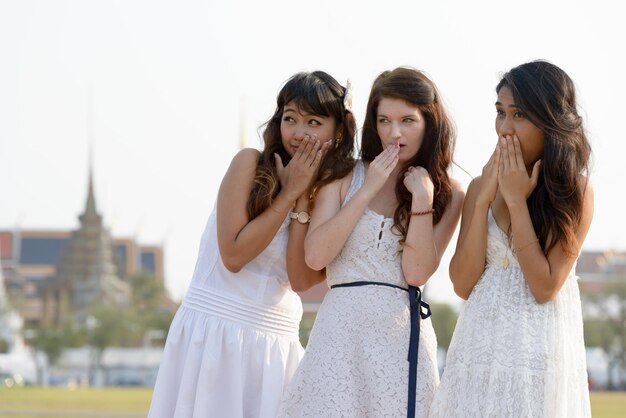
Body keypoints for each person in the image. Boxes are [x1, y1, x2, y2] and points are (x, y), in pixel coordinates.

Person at [147, 71, 356, 418]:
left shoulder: (332, 193)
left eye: (314, 122)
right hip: (216, 335)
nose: (299, 132)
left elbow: (301, 280)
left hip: (275, 350)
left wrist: (304, 197)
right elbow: (233, 254)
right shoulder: (249, 163)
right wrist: (288, 194)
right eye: (290, 119)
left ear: (338, 131)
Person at [279, 67, 464, 418]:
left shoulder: (450, 194)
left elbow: (416, 272)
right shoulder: (343, 175)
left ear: (430, 122)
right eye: (384, 120)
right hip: (339, 337)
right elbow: (316, 256)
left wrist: (422, 201)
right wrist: (367, 188)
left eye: (408, 120)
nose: (394, 133)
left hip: (401, 341)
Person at [428, 60, 593, 417]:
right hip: (476, 351)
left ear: (550, 120)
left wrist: (516, 201)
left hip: (537, 358)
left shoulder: (575, 192)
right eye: (500, 113)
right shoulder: (479, 187)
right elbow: (462, 282)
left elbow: (544, 287)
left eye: (519, 115)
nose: (504, 128)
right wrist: (485, 197)